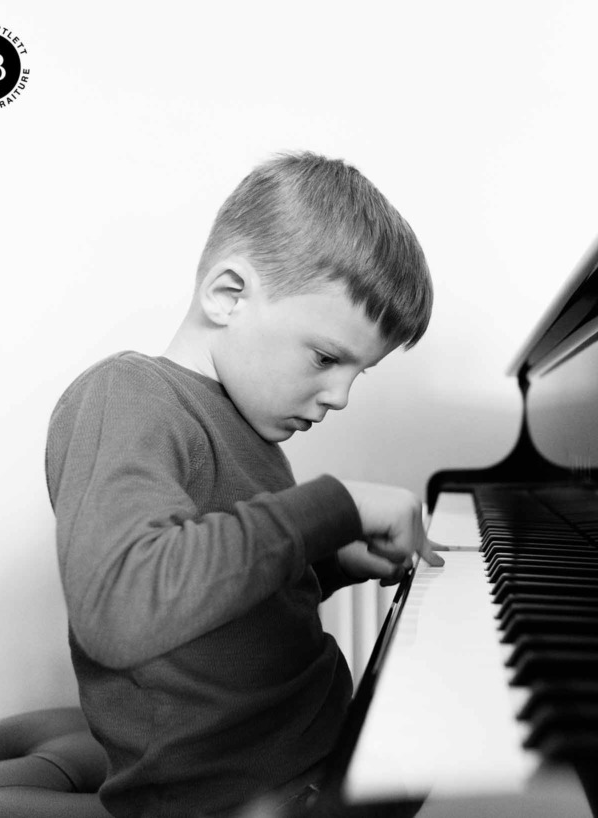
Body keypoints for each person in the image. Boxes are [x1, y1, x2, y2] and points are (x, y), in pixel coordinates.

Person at [45, 151, 444, 818]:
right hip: (229, 800)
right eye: (325, 358)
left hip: (314, 759)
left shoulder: (246, 427)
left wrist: (328, 562)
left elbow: (226, 593)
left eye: (358, 374)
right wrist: (334, 504)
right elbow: (120, 606)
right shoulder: (126, 396)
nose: (340, 396)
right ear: (229, 296)